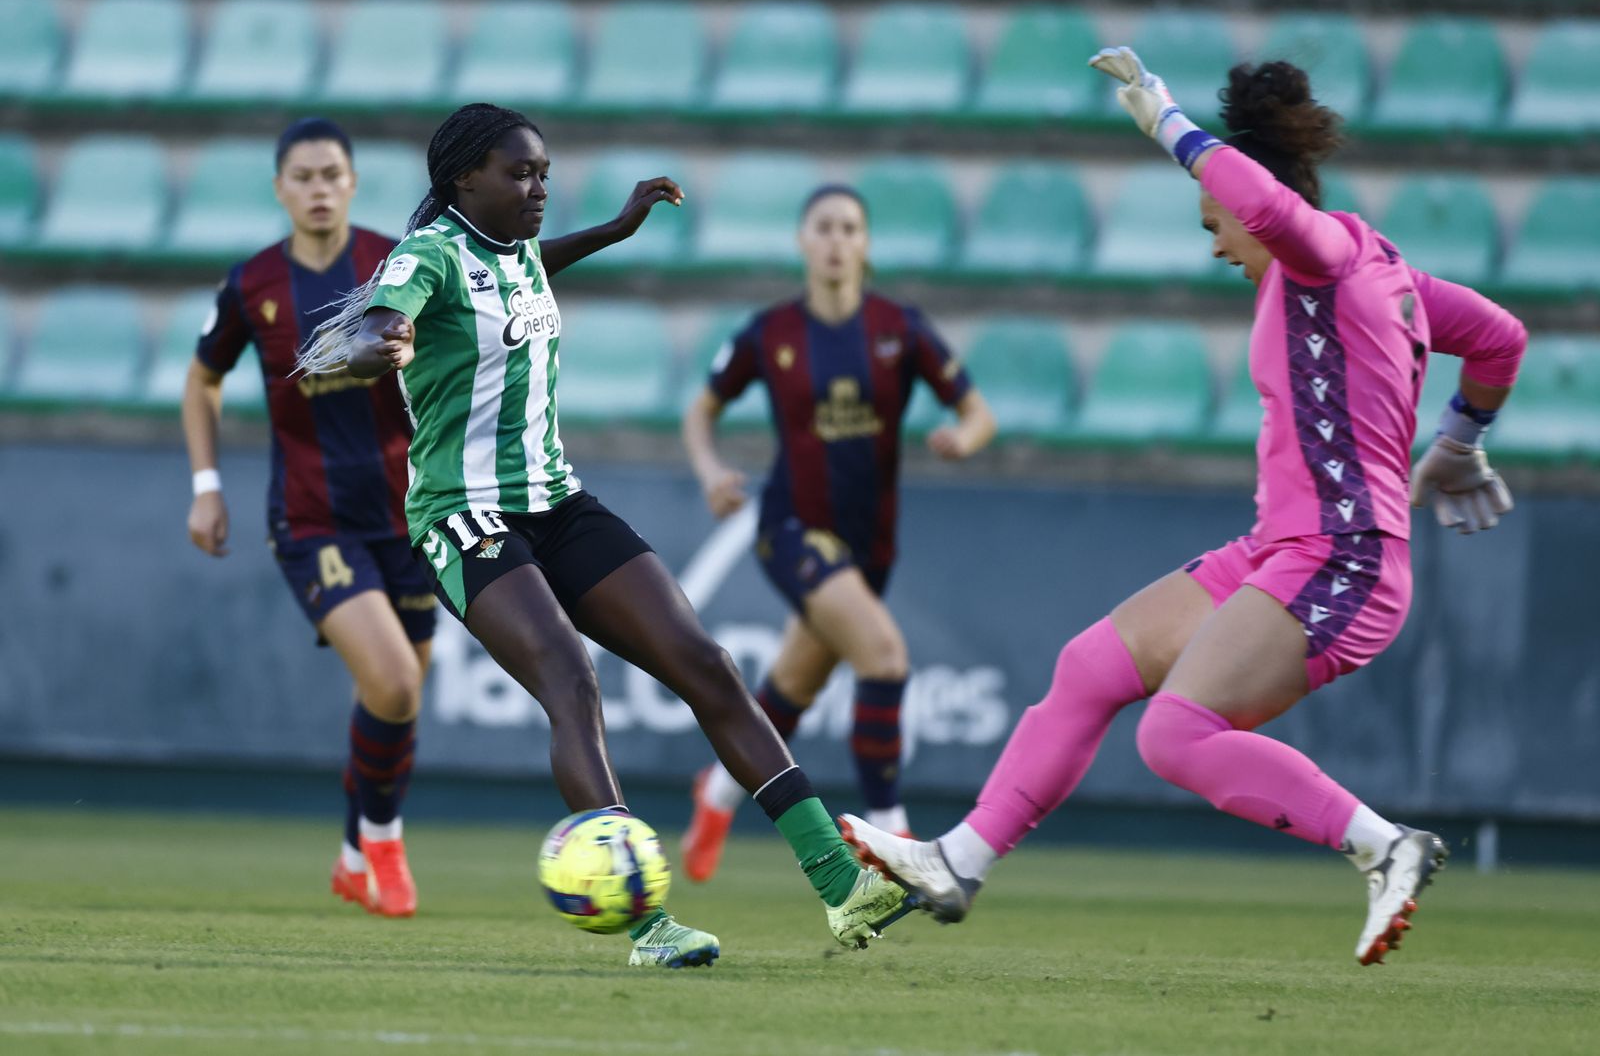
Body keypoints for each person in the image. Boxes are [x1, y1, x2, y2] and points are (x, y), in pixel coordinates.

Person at [841, 51, 1527, 966]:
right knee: (1090, 666)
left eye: (1217, 225)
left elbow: (1278, 212)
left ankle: (1385, 845)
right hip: (1282, 547)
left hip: (1343, 560)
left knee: (1175, 734)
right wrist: (1459, 442)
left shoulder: (1320, 257)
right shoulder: (1385, 271)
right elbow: (1500, 338)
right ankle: (956, 861)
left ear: (1251, 209)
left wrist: (1166, 119)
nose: (1216, 245)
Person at [295, 103, 910, 969]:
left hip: (556, 501)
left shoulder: (513, 258)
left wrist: (617, 228)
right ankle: (645, 926)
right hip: (465, 514)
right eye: (519, 174)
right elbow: (376, 324)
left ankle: (844, 886)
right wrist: (380, 343)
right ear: (463, 179)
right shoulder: (426, 257)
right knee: (571, 680)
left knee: (705, 663)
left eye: (544, 173)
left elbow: (534, 267)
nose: (537, 187)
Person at [678, 185, 996, 883]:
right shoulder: (770, 333)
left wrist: (962, 439)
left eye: (850, 228)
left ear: (866, 244)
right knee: (883, 657)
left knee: (792, 684)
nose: (836, 240)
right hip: (791, 529)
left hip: (870, 543)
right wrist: (709, 472)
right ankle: (895, 838)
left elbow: (977, 411)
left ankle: (719, 791)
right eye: (823, 227)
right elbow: (701, 410)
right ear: (802, 241)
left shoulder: (899, 328)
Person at [182, 118, 435, 919]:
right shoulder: (252, 285)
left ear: (353, 182)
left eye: (332, 174)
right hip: (313, 517)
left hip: (410, 513)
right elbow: (202, 381)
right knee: (393, 681)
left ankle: (353, 853)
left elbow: (449, 350)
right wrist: (206, 483)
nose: (319, 188)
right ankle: (383, 845)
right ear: (280, 188)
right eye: (303, 176)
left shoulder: (394, 266)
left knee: (397, 694)